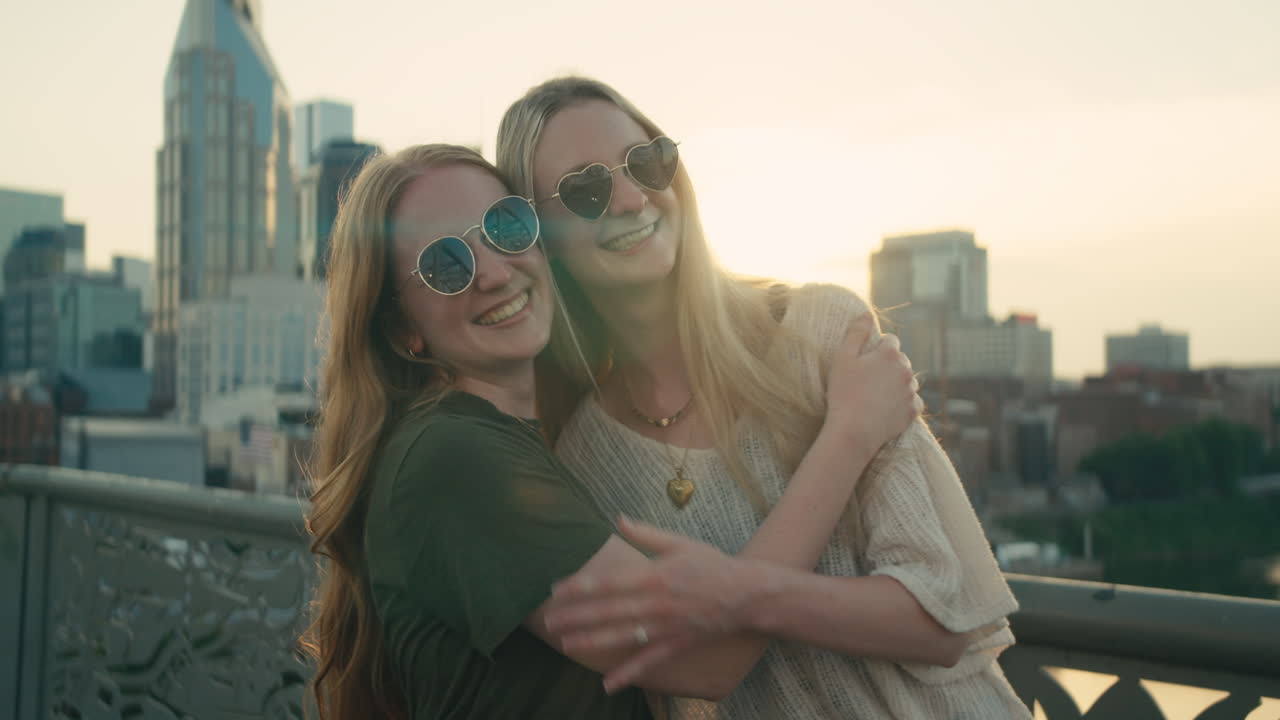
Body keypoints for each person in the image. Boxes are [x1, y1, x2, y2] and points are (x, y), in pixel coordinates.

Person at [300, 144, 922, 719]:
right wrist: (850, 433)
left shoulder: (518, 443)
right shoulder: (454, 458)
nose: (493, 272)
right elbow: (706, 658)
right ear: (402, 330)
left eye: (506, 226)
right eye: (446, 264)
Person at [496, 76, 1031, 719]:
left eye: (648, 161)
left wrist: (736, 593)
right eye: (586, 190)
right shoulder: (582, 459)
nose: (635, 197)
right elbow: (697, 671)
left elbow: (939, 619)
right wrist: (846, 438)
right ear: (537, 235)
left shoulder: (821, 333)